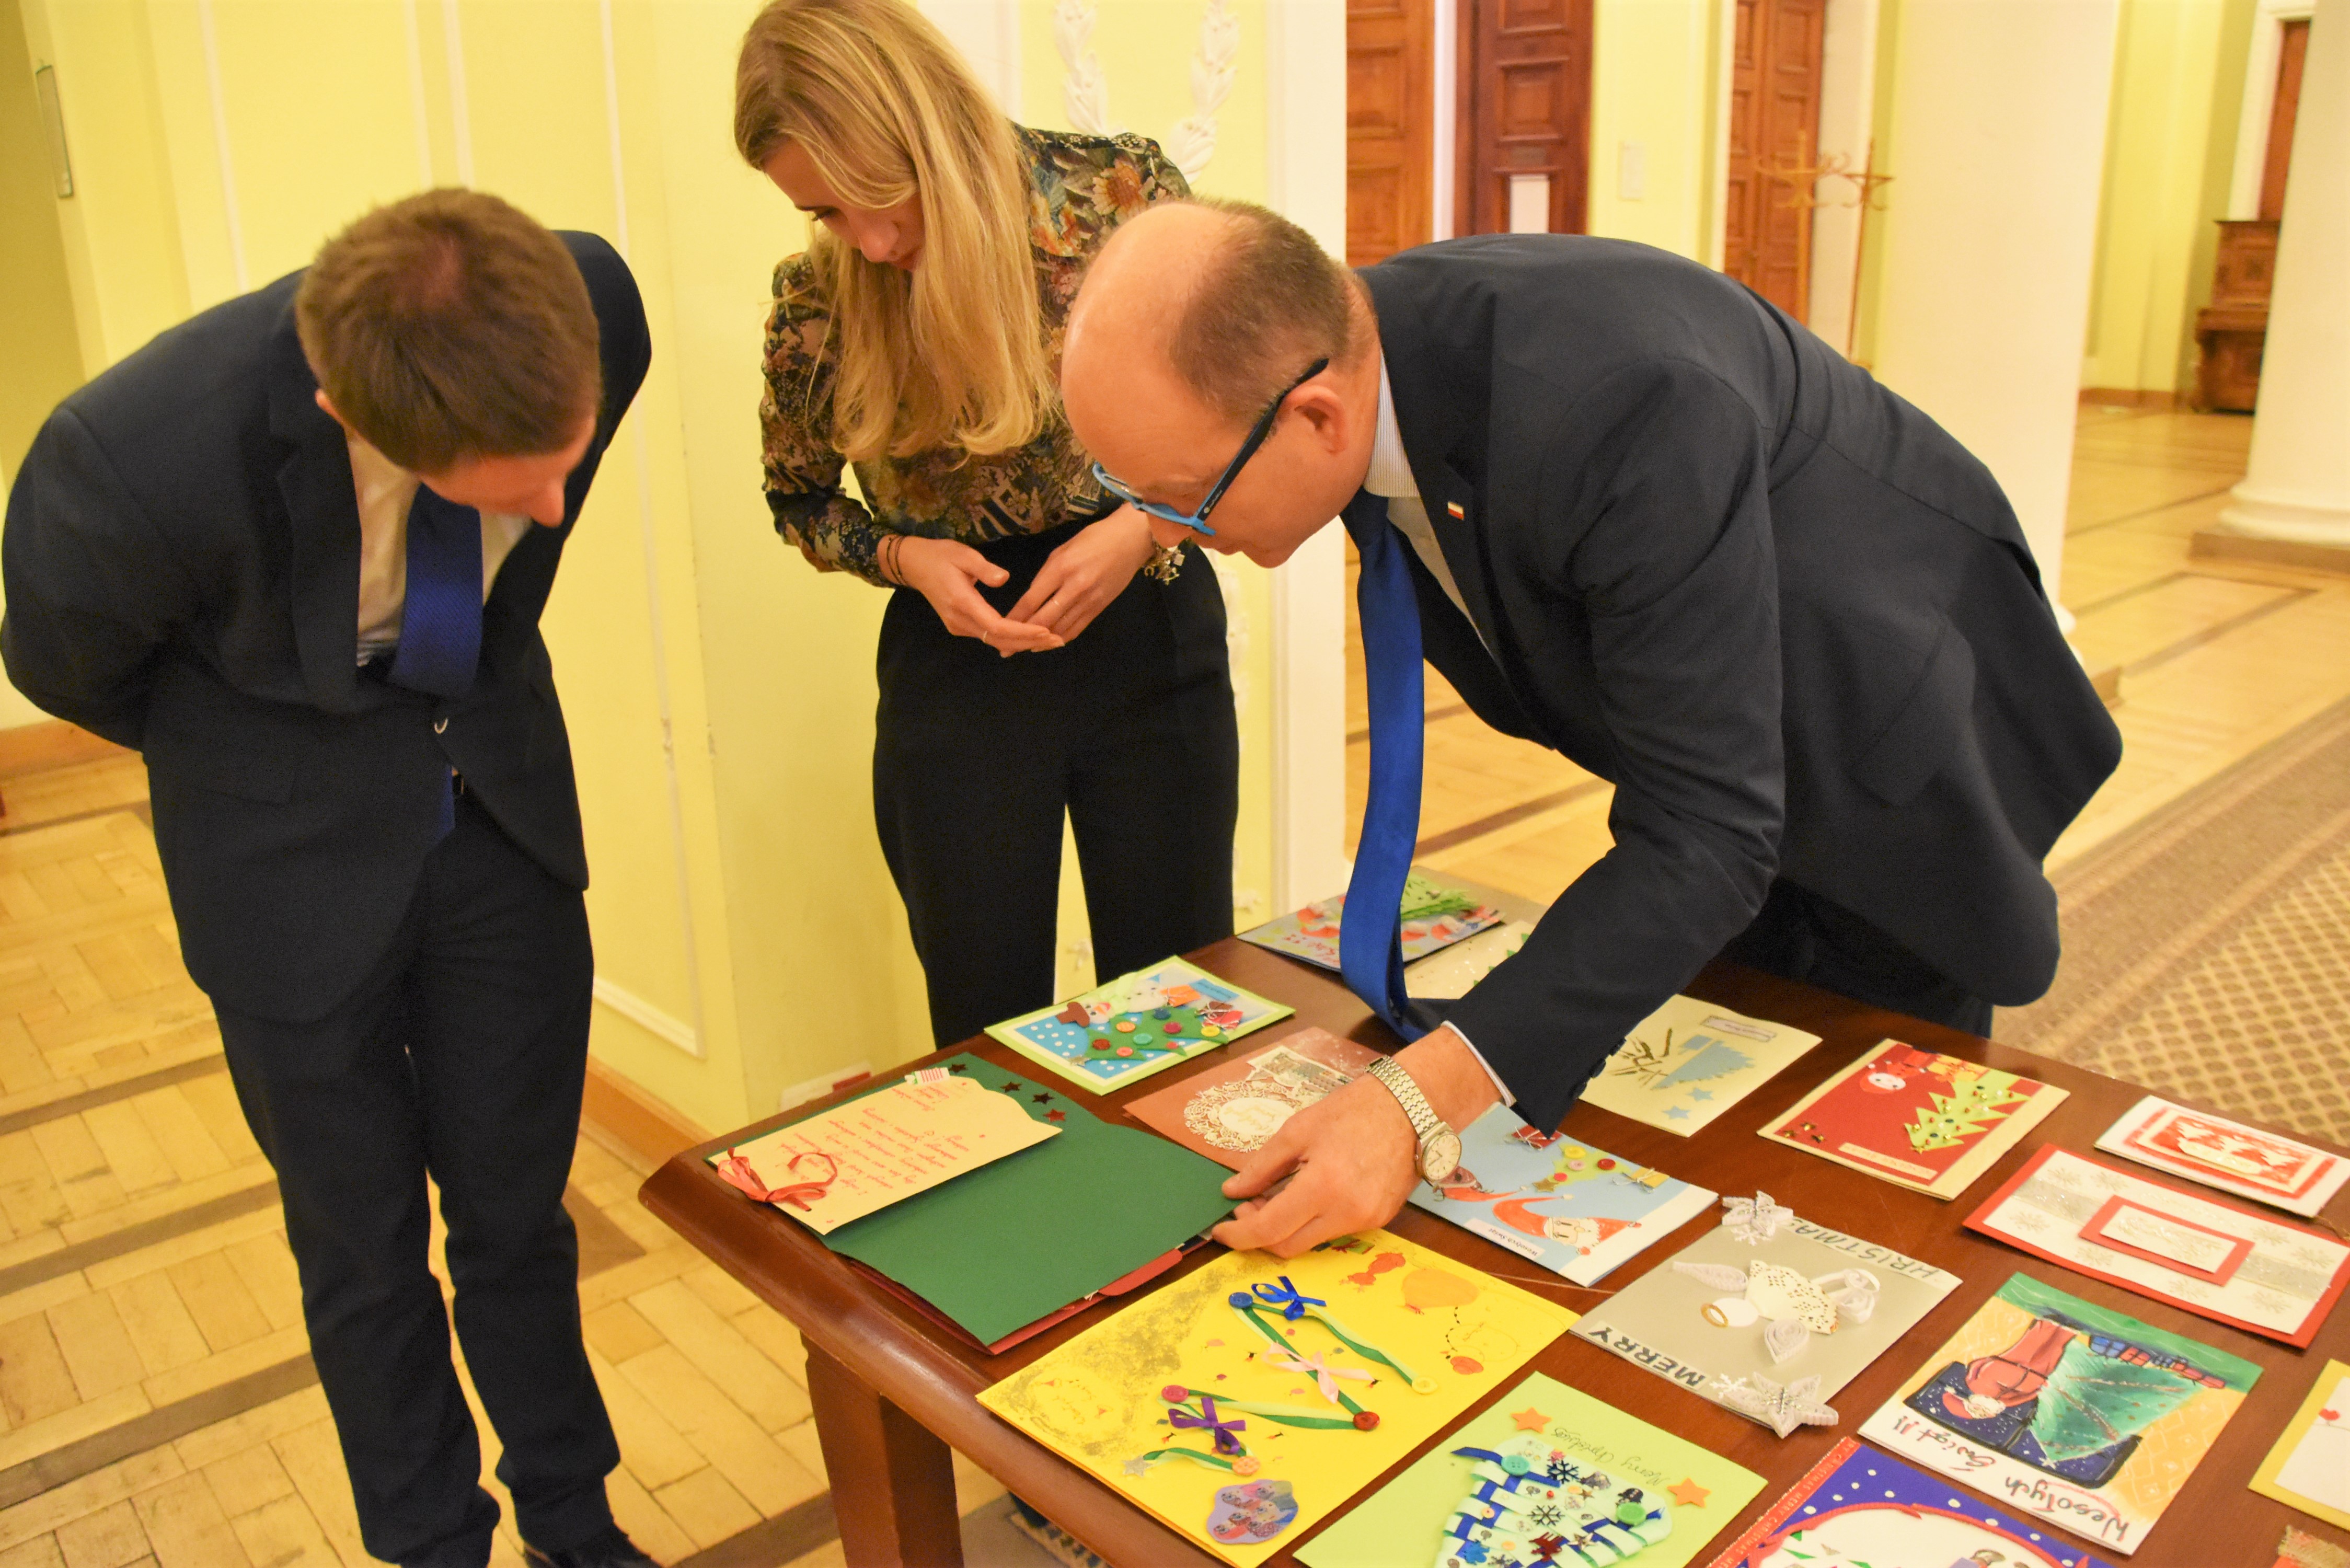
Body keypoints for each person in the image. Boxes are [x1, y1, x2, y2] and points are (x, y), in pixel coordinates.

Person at [1059, 200, 2123, 1258]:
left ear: (1318, 419)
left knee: (1862, 1185)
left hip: (1878, 746)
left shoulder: (1617, 402)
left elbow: (1707, 834)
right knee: (1707, 1090)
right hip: (1721, 751)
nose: (1167, 531)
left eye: (1181, 496)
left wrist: (1416, 1104)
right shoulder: (1366, 357)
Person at [2, 190, 654, 1568]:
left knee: (517, 1214)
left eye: (567, 461)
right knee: (362, 1247)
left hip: (500, 818)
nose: (554, 509)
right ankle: (433, 1547)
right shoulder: (133, 459)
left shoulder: (595, 306)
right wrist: (274, 757)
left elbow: (536, 508)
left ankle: (576, 1523)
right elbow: (70, 671)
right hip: (280, 871)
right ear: (357, 421)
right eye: (513, 482)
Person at [736, 0, 1240, 1047]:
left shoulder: (1120, 198)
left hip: (1148, 635)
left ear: (923, 128)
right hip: (957, 674)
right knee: (983, 1031)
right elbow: (798, 498)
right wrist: (903, 556)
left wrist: (1141, 527)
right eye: (826, 214)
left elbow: (1240, 410)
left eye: (879, 194)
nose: (871, 241)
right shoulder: (818, 300)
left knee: (1178, 1007)